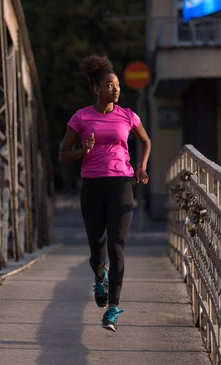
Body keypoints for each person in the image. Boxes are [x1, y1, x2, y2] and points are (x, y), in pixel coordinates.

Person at [59, 55, 151, 332]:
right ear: (97, 89)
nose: (115, 88)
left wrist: (142, 167)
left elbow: (145, 141)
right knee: (97, 247)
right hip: (92, 187)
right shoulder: (81, 117)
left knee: (117, 246)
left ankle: (112, 308)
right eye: (109, 85)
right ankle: (100, 276)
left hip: (121, 184)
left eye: (118, 85)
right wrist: (83, 151)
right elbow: (64, 156)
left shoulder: (128, 115)